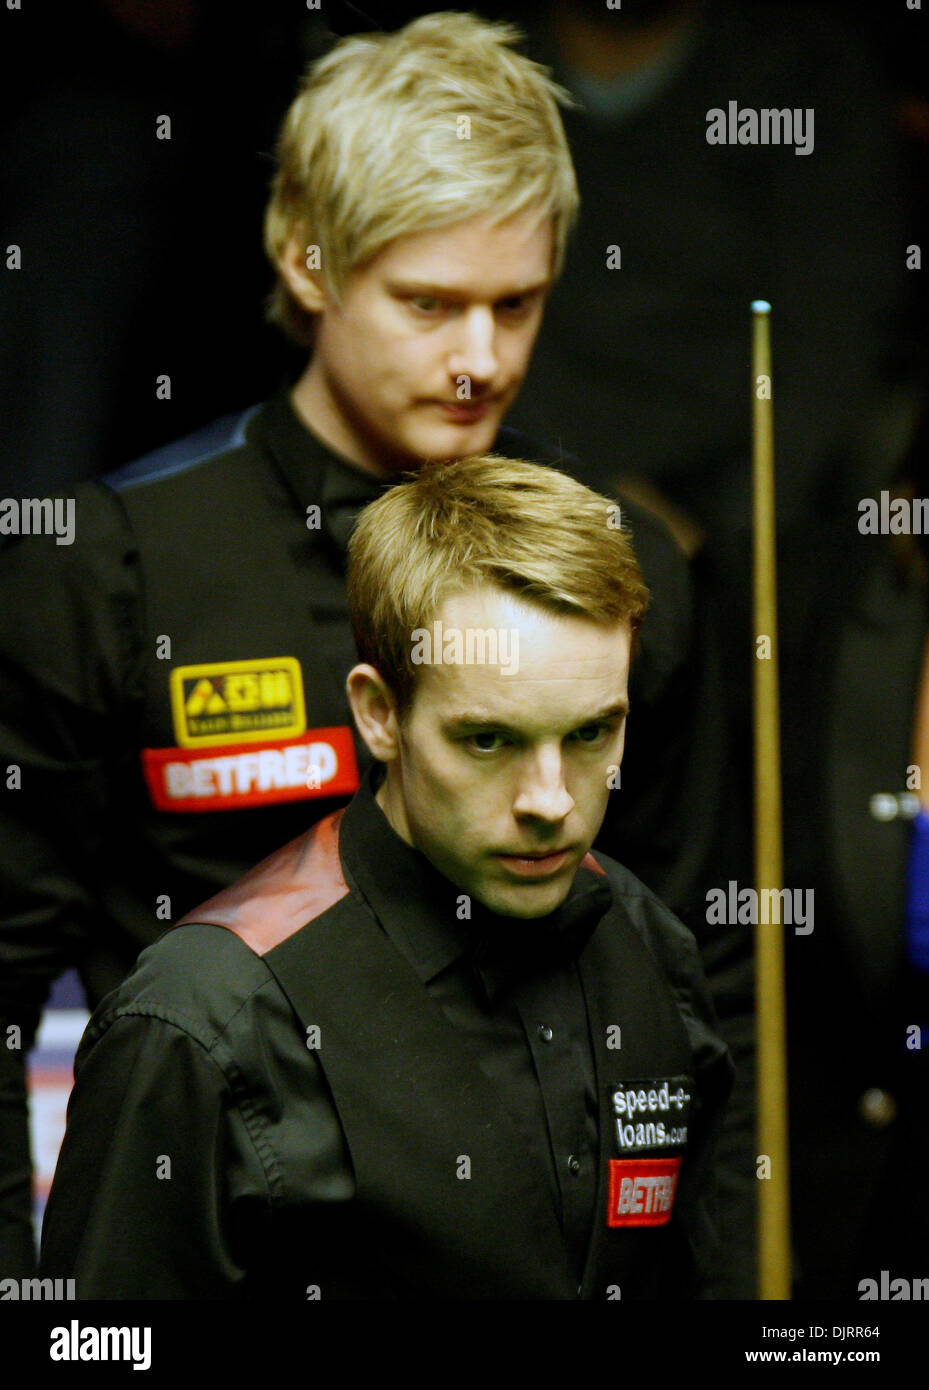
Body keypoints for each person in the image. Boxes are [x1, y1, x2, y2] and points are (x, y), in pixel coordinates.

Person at [0, 12, 720, 1281]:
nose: (479, 361)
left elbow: (700, 973)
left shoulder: (621, 574)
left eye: (518, 302)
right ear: (307, 260)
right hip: (229, 1240)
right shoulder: (108, 576)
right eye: (430, 304)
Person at [38, 453, 733, 1299]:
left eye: (590, 734)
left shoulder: (649, 950)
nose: (551, 801)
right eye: (488, 740)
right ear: (379, 714)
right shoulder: (204, 1024)